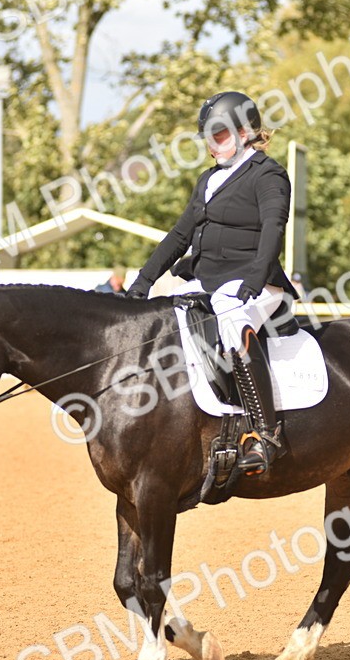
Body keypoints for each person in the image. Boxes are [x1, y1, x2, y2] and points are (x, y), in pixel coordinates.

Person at [126, 91, 294, 475]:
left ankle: (267, 435)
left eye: (218, 136)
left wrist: (255, 276)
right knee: (159, 318)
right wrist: (144, 281)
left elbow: (274, 228)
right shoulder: (208, 180)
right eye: (207, 137)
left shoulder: (268, 174)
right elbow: (179, 234)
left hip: (256, 285)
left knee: (231, 316)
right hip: (208, 281)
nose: (211, 146)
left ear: (245, 132)